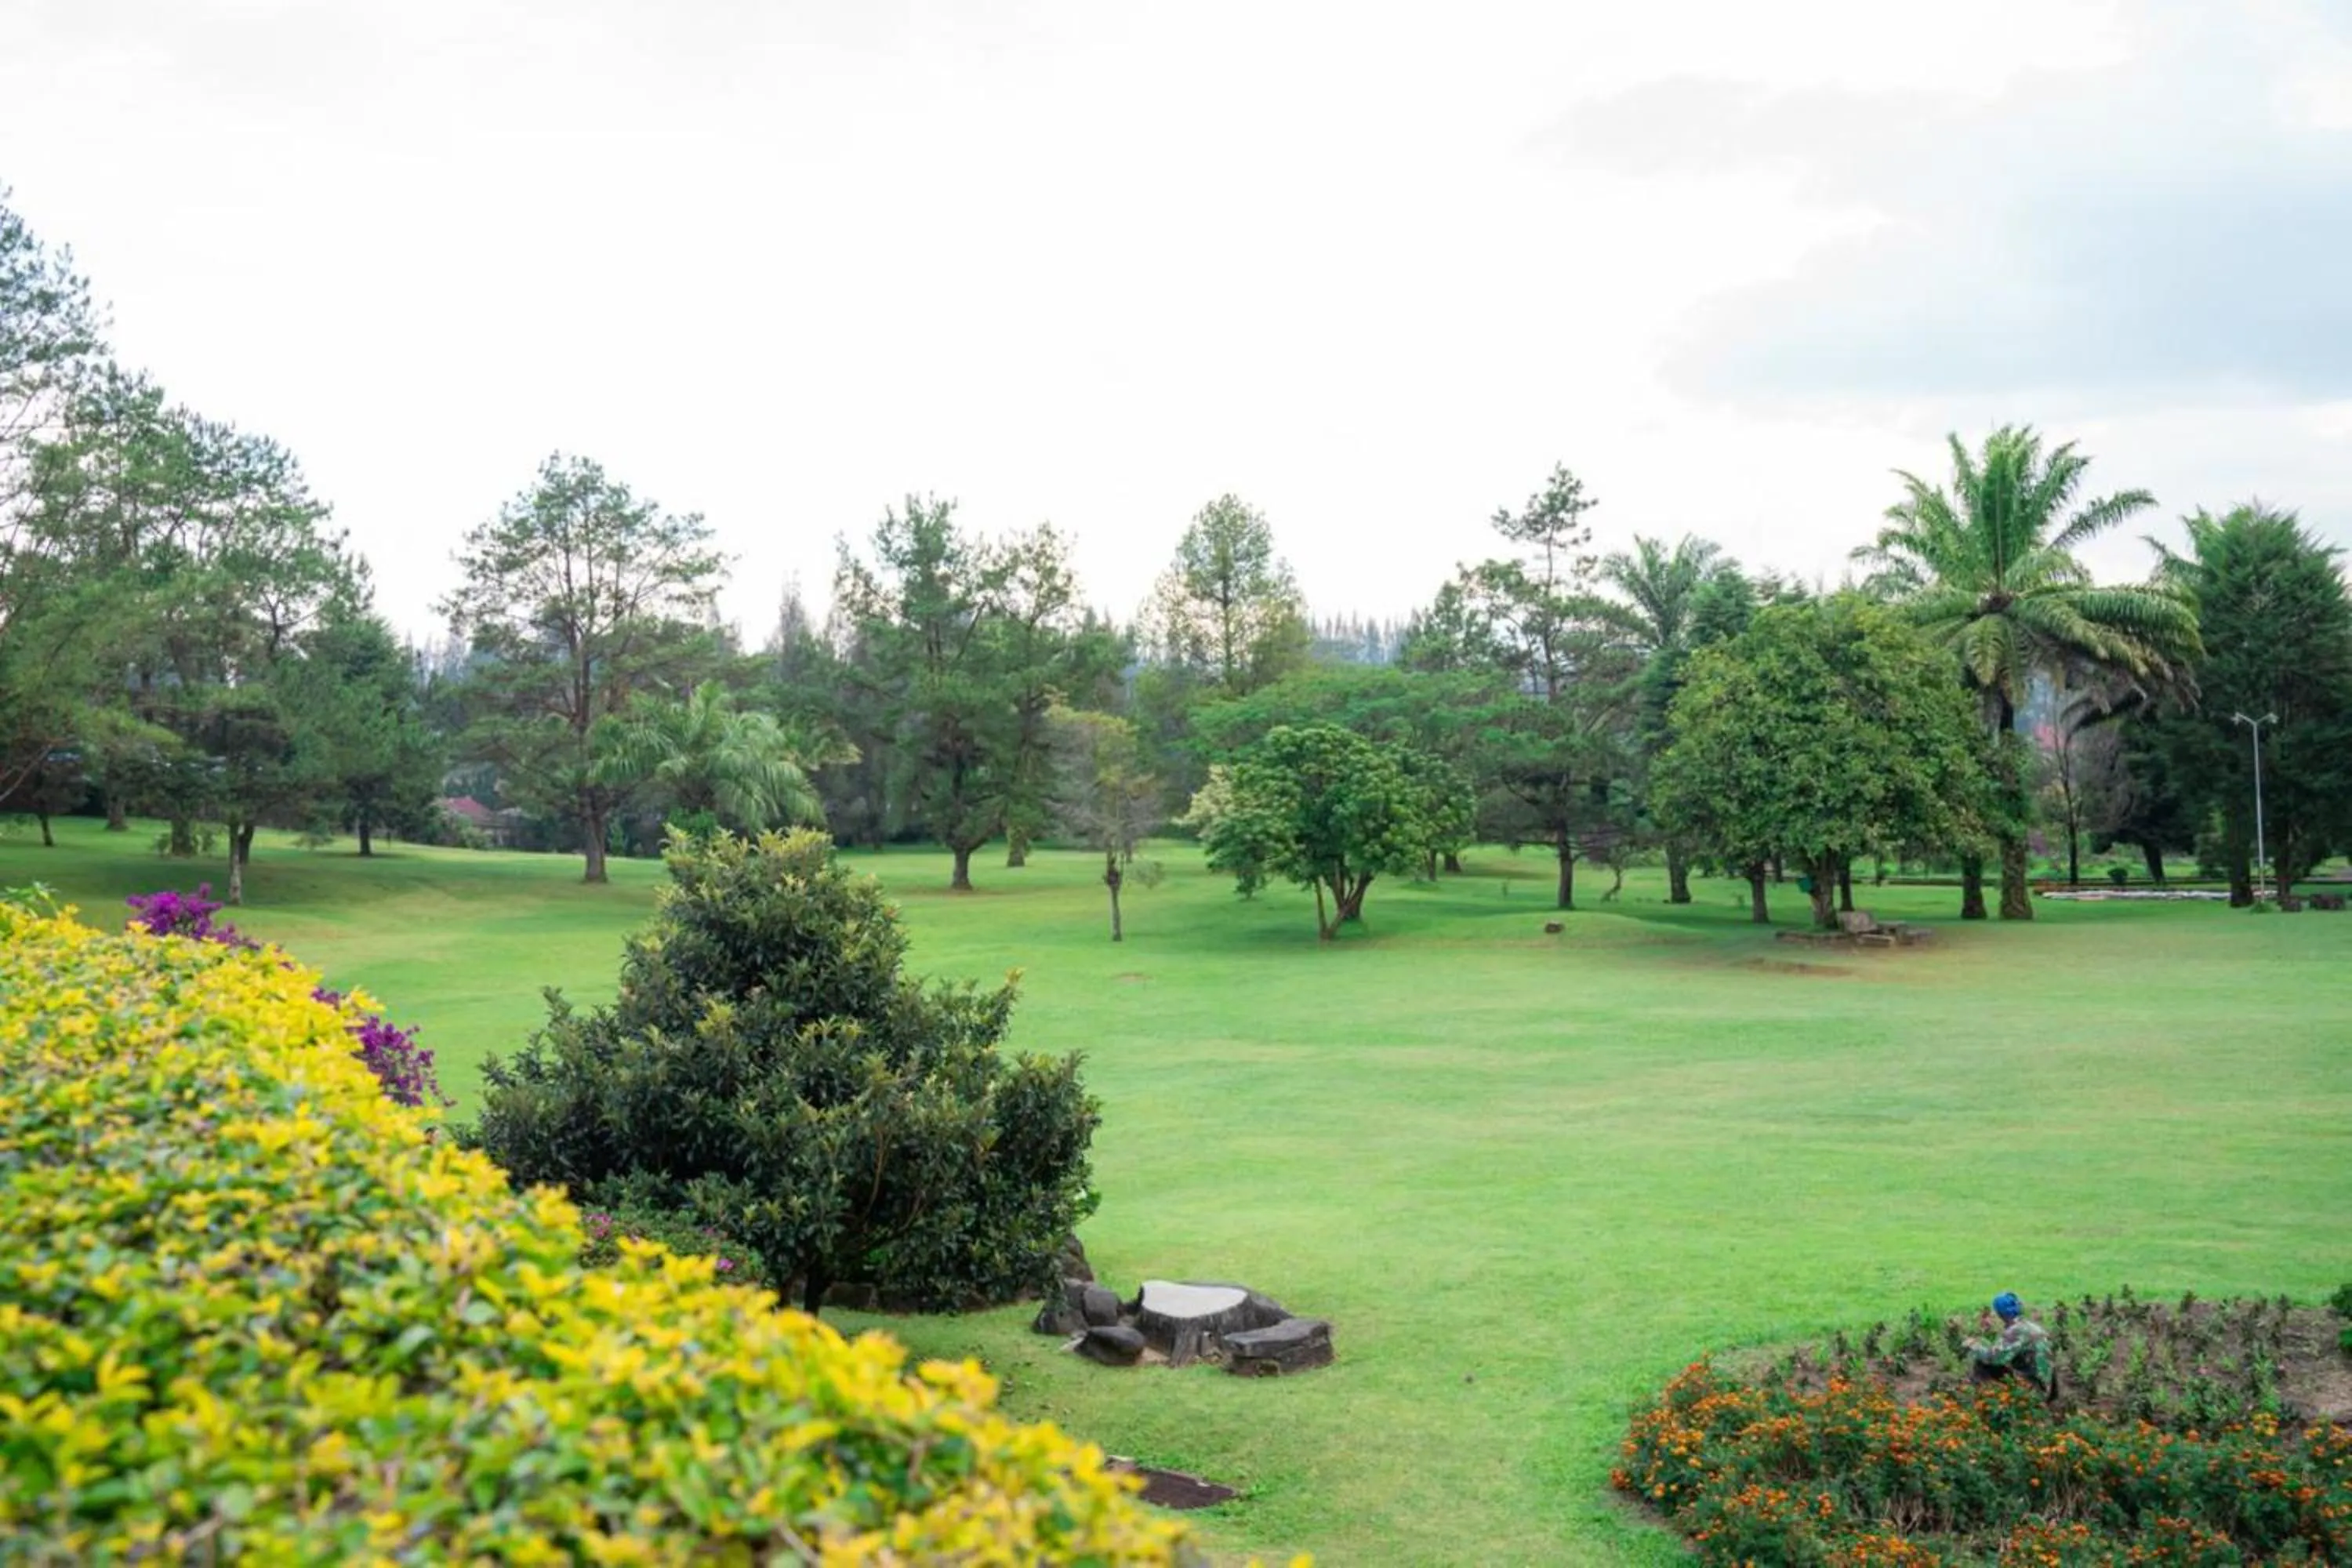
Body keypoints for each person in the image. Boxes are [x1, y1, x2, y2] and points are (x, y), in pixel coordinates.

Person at [1965, 1291, 2056, 1399]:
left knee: (1983, 1362)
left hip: (2034, 1388)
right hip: (2048, 1384)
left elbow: (1995, 1358)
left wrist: (1973, 1346)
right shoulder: (2032, 1327)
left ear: (2000, 1314)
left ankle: (1985, 1398)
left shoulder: (2015, 1331)